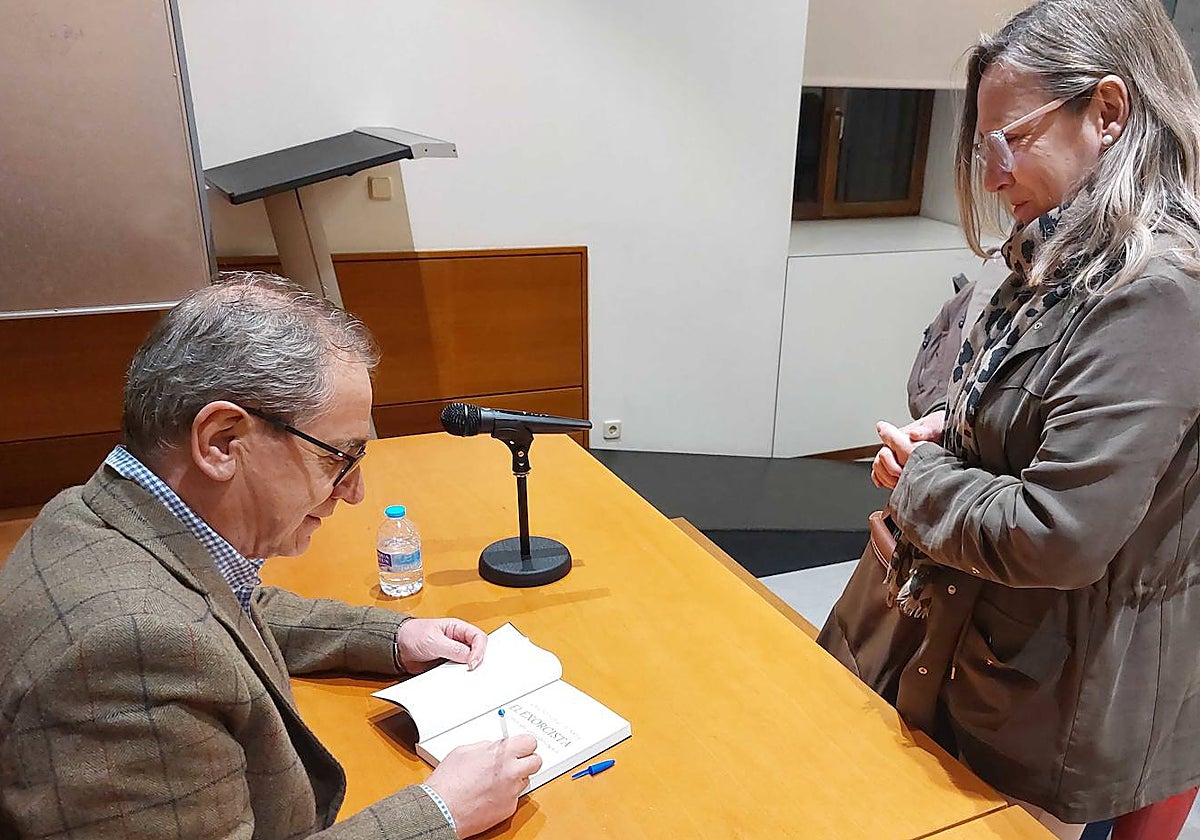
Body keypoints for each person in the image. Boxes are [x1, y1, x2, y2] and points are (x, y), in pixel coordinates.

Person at [0, 273, 542, 839]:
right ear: (221, 442)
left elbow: (224, 602)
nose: (354, 491)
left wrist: (391, 637)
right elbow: (173, 633)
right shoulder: (126, 651)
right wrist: (440, 811)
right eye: (340, 458)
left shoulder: (94, 514)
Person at [861, 0, 1200, 837]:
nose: (991, 171)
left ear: (1109, 113)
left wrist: (921, 488)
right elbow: (984, 402)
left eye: (1009, 139)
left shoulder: (1155, 291)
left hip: (1050, 688)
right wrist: (943, 434)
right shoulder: (1053, 251)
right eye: (983, 146)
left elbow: (1059, 532)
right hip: (974, 637)